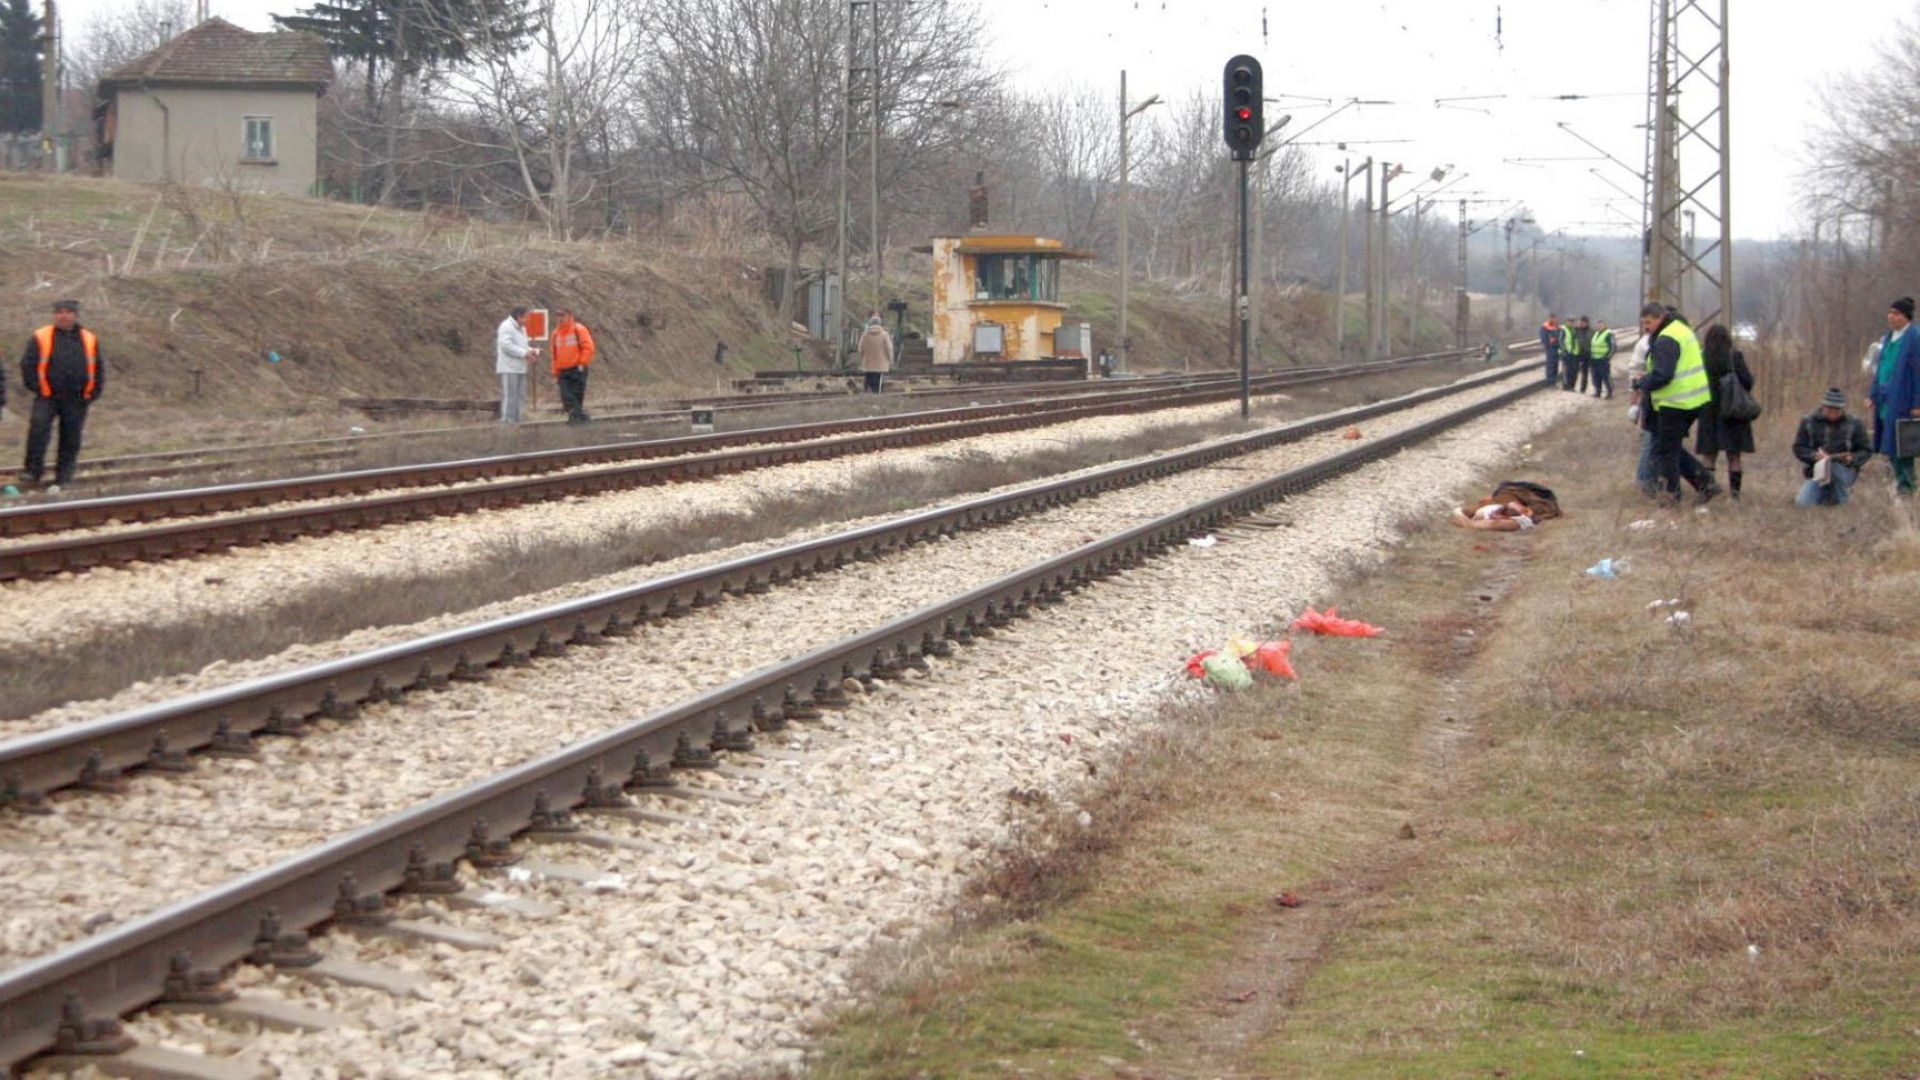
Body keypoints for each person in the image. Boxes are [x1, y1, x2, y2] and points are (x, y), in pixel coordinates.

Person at [1633, 302, 1722, 505]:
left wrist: (1642, 382)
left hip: (1676, 401)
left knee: (1667, 452)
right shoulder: (1681, 329)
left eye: (1648, 322)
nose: (1646, 327)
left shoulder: (1666, 339)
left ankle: (1672, 497)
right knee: (1669, 447)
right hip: (1692, 399)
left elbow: (1663, 374)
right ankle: (1705, 482)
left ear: (1659, 318)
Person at [17, 298, 103, 492]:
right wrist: (38, 387)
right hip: (47, 396)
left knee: (71, 438)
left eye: (68, 312)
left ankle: (64, 476)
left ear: (75, 315)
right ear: (54, 315)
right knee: (38, 431)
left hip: (77, 398)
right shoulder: (41, 336)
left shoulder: (89, 339)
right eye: (59, 312)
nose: (63, 316)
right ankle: (32, 471)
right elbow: (27, 365)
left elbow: (98, 368)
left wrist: (93, 393)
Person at [1695, 323, 1756, 499]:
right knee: (1734, 456)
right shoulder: (1734, 357)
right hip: (1733, 411)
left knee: (1709, 455)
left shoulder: (1701, 358)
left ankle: (1706, 491)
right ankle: (1734, 495)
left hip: (1709, 411)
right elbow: (1747, 382)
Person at [1869, 296, 1920, 495]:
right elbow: (1880, 368)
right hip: (1886, 401)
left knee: (1903, 444)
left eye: (1896, 313)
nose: (1891, 317)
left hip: (1903, 399)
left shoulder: (1914, 338)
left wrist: (1917, 403)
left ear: (1906, 316)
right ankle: (1896, 484)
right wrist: (1873, 395)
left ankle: (1907, 487)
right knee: (1889, 442)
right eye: (1890, 312)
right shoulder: (1888, 338)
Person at [1793, 388, 1873, 507]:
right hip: (1817, 472)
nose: (1832, 414)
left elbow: (1866, 450)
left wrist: (1852, 458)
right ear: (1823, 407)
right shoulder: (1808, 422)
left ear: (1842, 410)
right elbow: (1799, 447)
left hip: (1845, 470)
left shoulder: (1854, 424)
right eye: (1829, 411)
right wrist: (1813, 455)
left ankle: (1843, 501)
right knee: (1803, 503)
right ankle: (1828, 494)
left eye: (1836, 411)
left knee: (1833, 466)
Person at [550, 308, 597, 423]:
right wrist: (555, 370)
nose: (560, 318)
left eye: (563, 315)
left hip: (577, 368)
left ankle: (575, 418)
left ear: (569, 316)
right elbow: (554, 354)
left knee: (576, 395)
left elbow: (588, 348)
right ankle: (581, 417)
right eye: (558, 316)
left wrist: (582, 363)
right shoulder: (555, 333)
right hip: (563, 370)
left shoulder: (579, 329)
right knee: (566, 396)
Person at [495, 306, 536, 425]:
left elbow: (521, 346)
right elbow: (506, 345)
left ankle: (517, 421)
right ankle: (508, 422)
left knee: (520, 396)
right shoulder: (506, 327)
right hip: (509, 367)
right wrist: (524, 353)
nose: (528, 320)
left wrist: (531, 351)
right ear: (519, 316)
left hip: (520, 367)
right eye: (526, 317)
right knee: (510, 396)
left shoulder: (522, 329)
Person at [858, 314, 893, 393]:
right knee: (878, 382)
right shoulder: (885, 334)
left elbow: (860, 348)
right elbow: (889, 348)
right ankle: (877, 394)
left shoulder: (865, 334)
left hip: (867, 362)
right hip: (881, 363)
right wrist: (889, 358)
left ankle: (867, 393)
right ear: (880, 323)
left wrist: (863, 357)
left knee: (868, 380)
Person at [1563, 315, 1595, 392]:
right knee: (1574, 370)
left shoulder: (1592, 331)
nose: (1581, 324)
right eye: (1580, 322)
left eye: (1583, 322)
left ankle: (1583, 389)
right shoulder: (1576, 330)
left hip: (1588, 354)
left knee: (1585, 372)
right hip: (1578, 353)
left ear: (1587, 323)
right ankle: (1570, 385)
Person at [1590, 319, 1615, 399]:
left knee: (1605, 376)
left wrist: (1607, 357)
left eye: (1601, 325)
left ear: (1605, 325)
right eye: (1598, 325)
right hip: (1594, 359)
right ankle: (1598, 391)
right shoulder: (1596, 333)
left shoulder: (1608, 334)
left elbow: (1613, 346)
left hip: (1603, 359)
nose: (1599, 326)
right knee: (1596, 377)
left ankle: (1609, 392)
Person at [1539, 313, 1562, 386]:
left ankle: (1553, 380)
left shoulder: (1557, 327)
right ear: (1549, 318)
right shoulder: (1545, 327)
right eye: (1551, 318)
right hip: (1550, 348)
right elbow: (1543, 338)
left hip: (1556, 348)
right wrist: (1548, 345)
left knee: (1555, 364)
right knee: (1550, 364)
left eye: (1554, 318)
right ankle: (1549, 380)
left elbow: (1560, 336)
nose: (1553, 319)